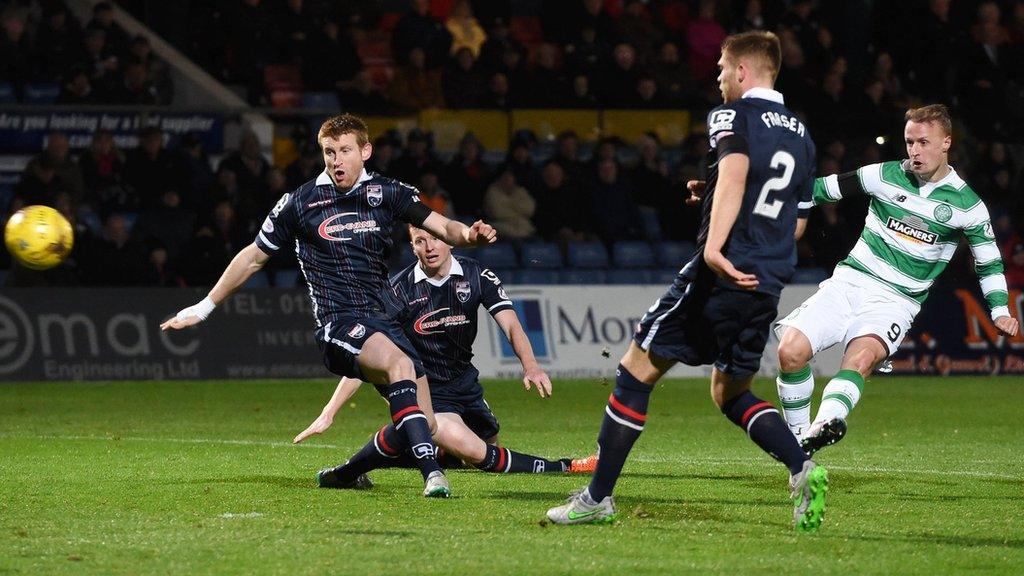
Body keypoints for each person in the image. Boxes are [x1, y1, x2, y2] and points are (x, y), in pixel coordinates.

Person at [545, 31, 828, 532]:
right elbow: (796, 220)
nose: (718, 77)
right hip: (767, 279)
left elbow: (738, 170)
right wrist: (717, 193)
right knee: (730, 392)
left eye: (721, 67)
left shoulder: (731, 116)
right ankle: (800, 466)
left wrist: (716, 247)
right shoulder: (802, 136)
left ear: (743, 71)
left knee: (635, 371)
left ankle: (597, 498)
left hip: (720, 272)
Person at [161, 114, 498, 498]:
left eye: (345, 151)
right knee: (400, 365)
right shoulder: (300, 203)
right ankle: (433, 475)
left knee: (427, 423)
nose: (336, 160)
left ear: (365, 151)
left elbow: (444, 226)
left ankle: (345, 474)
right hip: (339, 325)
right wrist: (205, 306)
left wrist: (470, 235)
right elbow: (254, 257)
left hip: (384, 320)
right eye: (329, 152)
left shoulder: (387, 193)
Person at [775, 104, 1020, 455]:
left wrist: (998, 310)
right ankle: (798, 448)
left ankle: (821, 429)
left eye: (924, 142)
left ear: (946, 142)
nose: (915, 151)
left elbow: (989, 261)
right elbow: (817, 190)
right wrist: (730, 192)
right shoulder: (883, 175)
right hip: (849, 283)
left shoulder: (968, 206)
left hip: (895, 301)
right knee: (789, 352)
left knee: (859, 361)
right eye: (909, 142)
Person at [297, 226, 596, 483]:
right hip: (426, 392)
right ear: (412, 246)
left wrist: (531, 366)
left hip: (465, 384)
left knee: (478, 445)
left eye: (436, 238)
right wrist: (329, 412)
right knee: (480, 455)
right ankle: (567, 465)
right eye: (419, 241)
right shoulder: (397, 292)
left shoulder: (477, 275)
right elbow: (370, 359)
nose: (429, 247)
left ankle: (405, 446)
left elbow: (511, 325)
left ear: (450, 240)